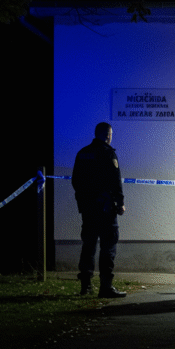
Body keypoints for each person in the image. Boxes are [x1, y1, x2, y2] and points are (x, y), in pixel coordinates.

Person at [72, 122, 127, 298]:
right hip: (106, 209)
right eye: (111, 134)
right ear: (107, 135)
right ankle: (106, 287)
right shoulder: (108, 153)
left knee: (88, 246)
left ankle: (85, 286)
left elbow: (76, 181)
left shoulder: (82, 153)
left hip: (88, 209)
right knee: (108, 247)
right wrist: (120, 203)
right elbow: (115, 181)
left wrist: (86, 199)